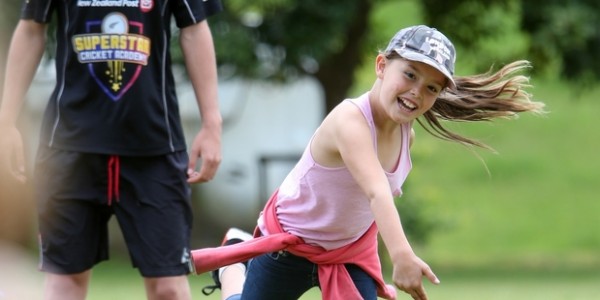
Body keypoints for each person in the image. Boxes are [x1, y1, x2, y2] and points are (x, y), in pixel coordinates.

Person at [190, 25, 546, 300]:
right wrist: (402, 255)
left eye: (431, 88)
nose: (416, 93)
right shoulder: (350, 121)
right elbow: (377, 193)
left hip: (346, 254)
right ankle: (233, 267)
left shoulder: (408, 133)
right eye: (409, 75)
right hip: (290, 245)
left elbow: (366, 204)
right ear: (381, 66)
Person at [0, 0, 223, 298]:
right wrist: (6, 121)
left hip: (154, 148)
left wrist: (212, 123)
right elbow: (30, 28)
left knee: (168, 286)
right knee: (65, 282)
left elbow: (194, 28)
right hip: (69, 148)